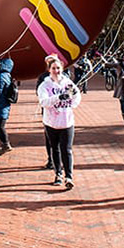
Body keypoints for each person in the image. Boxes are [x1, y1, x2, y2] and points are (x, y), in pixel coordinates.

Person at [37, 55, 81, 188]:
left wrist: (72, 100)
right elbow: (43, 102)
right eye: (54, 68)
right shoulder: (44, 85)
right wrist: (58, 97)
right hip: (51, 122)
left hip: (67, 122)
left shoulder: (68, 83)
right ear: (49, 69)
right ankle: (58, 174)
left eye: (58, 68)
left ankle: (69, 176)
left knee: (67, 150)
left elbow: (77, 97)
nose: (56, 71)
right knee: (55, 149)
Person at [0, 57, 16, 155]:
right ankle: (5, 143)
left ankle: (6, 144)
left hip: (0, 104)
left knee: (0, 126)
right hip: (4, 104)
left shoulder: (1, 76)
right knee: (0, 125)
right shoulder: (7, 75)